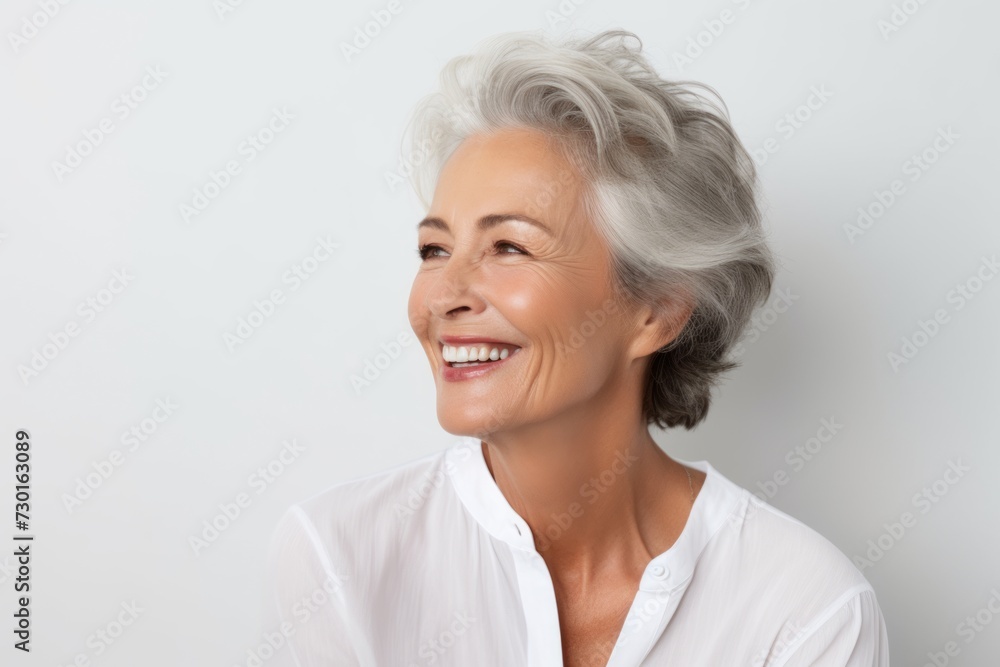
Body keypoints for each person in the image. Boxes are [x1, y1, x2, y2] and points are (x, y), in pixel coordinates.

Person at [266, 28, 889, 666]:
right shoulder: (340, 555)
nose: (443, 296)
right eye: (435, 249)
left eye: (508, 246)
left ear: (658, 310)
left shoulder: (805, 611)